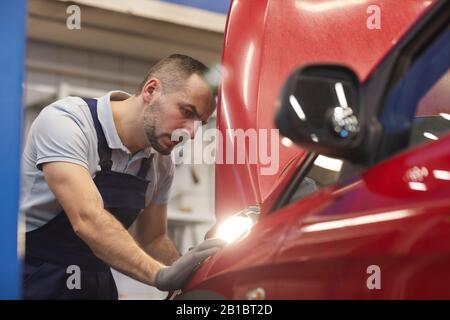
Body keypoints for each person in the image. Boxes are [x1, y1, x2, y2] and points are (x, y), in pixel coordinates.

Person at [20, 54, 225, 299]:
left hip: (97, 283)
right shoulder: (68, 122)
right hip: (33, 277)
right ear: (151, 90)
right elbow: (88, 219)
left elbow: (153, 237)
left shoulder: (160, 163)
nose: (191, 133)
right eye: (186, 111)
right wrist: (160, 275)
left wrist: (190, 272)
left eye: (200, 123)